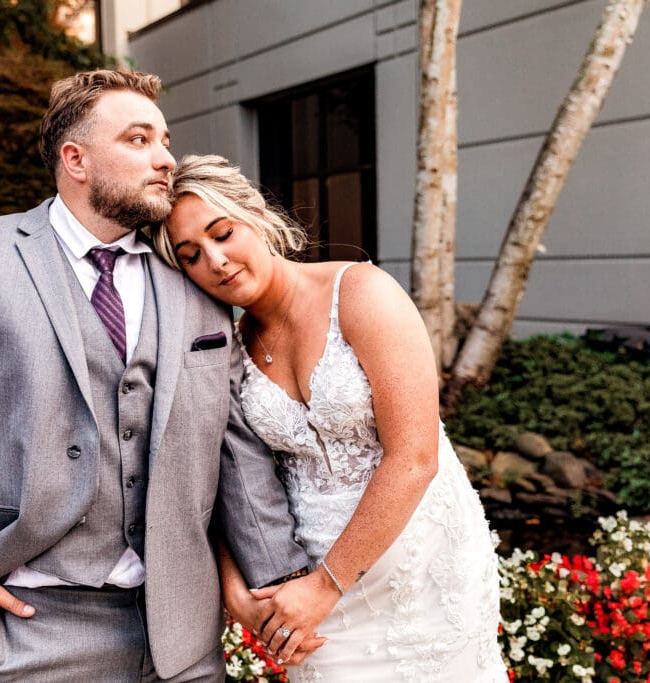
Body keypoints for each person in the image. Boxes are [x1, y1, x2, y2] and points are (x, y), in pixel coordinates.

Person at [0, 71, 310, 682]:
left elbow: (231, 441)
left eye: (164, 140)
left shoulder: (192, 276)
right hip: (29, 624)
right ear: (75, 159)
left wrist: (278, 582)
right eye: (138, 140)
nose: (164, 159)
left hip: (179, 632)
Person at [152, 154, 508, 682]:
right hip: (305, 580)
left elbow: (415, 457)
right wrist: (236, 587)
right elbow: (227, 475)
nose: (216, 261)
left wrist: (325, 588)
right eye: (191, 255)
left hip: (423, 571)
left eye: (223, 233)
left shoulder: (362, 294)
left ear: (256, 214)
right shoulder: (224, 347)